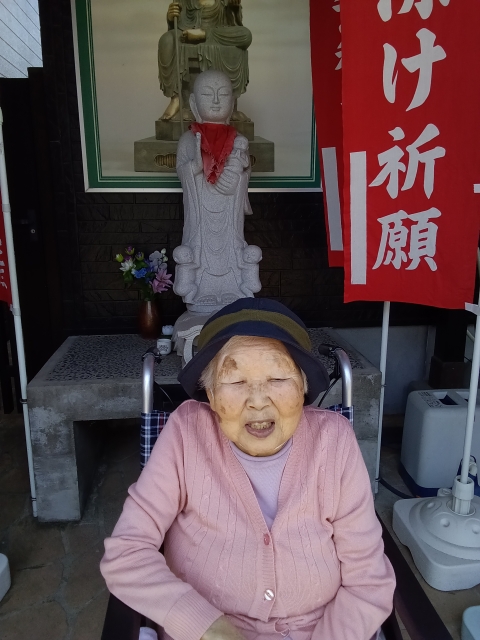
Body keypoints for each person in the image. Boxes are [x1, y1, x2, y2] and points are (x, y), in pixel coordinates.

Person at [100, 297, 396, 640]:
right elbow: (127, 553)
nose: (257, 400)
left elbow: (368, 581)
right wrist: (207, 627)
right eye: (236, 382)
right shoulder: (185, 434)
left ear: (302, 389)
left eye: (278, 378)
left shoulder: (335, 441)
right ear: (211, 395)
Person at [173, 70, 261, 314]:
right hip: (200, 212)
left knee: (232, 246)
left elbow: (244, 173)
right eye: (207, 94)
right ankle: (201, 290)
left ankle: (233, 288)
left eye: (222, 95)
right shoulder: (188, 140)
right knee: (199, 247)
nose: (215, 101)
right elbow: (182, 173)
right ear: (193, 103)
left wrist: (240, 174)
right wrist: (195, 167)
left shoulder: (238, 139)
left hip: (229, 212)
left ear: (232, 103)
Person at [158, 0, 252, 121]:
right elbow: (177, 25)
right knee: (166, 40)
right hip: (187, 35)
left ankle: (230, 108)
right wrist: (171, 18)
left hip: (216, 35)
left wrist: (234, 8)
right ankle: (176, 99)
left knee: (246, 35)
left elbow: (235, 26)